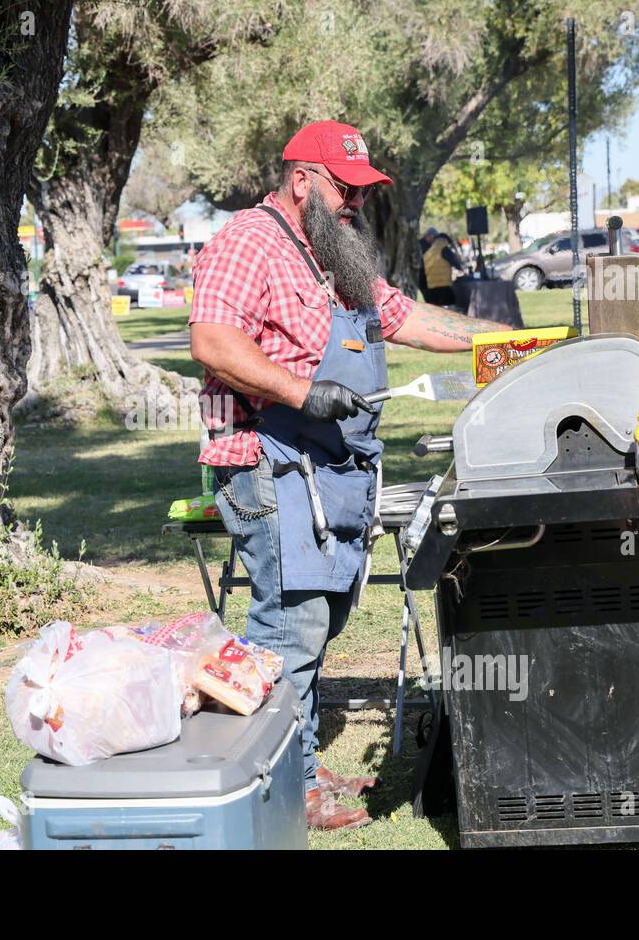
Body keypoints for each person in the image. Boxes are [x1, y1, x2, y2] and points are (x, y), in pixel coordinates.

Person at [189, 119, 508, 831]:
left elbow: (407, 318)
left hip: (327, 471)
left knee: (318, 621)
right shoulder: (250, 241)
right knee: (289, 627)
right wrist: (301, 392)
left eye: (363, 191)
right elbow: (211, 339)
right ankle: (284, 790)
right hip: (268, 462)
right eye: (346, 188)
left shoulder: (333, 254)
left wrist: (504, 345)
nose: (356, 203)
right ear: (302, 180)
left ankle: (297, 761)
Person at [422, 230, 465, 309]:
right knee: (450, 309)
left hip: (431, 287)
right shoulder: (444, 248)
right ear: (445, 240)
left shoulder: (430, 251)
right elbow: (454, 262)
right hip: (444, 286)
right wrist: (461, 269)